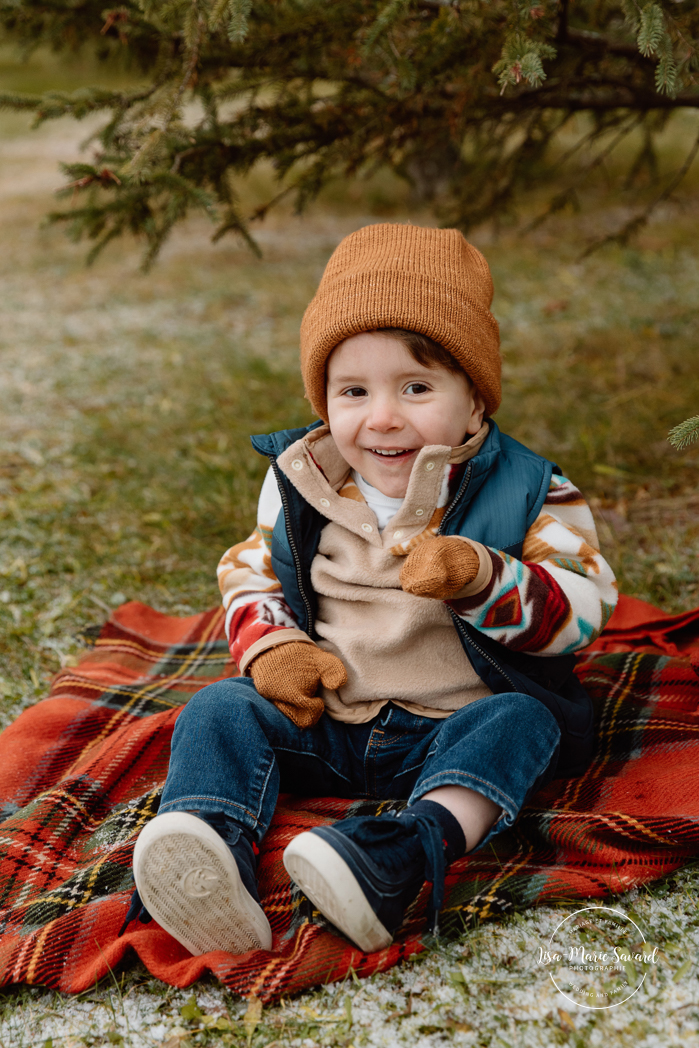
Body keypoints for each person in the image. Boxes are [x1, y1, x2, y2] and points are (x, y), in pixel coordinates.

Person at [131, 223, 617, 957]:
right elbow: (248, 568)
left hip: (453, 723)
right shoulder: (301, 480)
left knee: (522, 722)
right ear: (324, 399)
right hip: (328, 714)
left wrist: (483, 576)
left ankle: (396, 853)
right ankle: (208, 849)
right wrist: (272, 646)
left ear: (474, 400)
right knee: (220, 707)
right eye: (353, 390)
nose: (382, 417)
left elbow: (582, 609)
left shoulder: (529, 488)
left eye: (416, 387)